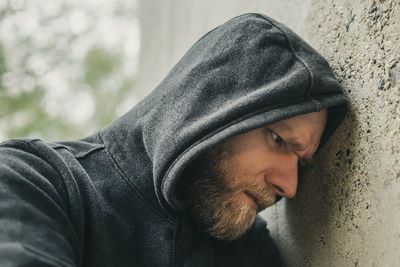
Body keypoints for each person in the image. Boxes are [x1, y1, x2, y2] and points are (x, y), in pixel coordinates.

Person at [0, 13, 347, 266]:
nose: (290, 186)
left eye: (302, 163)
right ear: (213, 111)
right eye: (278, 140)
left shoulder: (249, 252)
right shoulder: (35, 182)